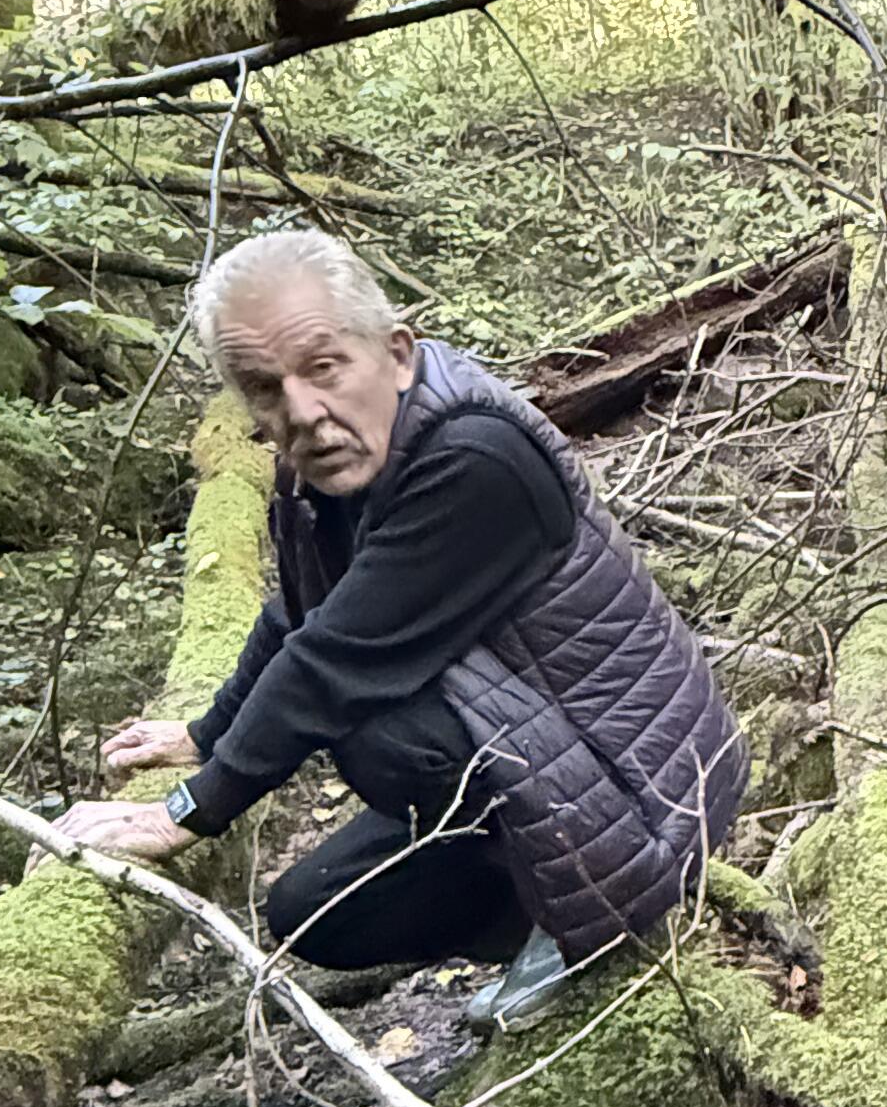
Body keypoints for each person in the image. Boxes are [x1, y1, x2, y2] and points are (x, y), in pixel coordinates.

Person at [49, 226, 745, 1011]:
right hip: (546, 751)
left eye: (323, 368)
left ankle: (598, 917)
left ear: (397, 353)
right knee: (313, 914)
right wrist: (202, 737)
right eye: (266, 388)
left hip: (650, 798)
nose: (303, 411)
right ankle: (529, 905)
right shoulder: (336, 459)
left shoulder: (475, 460)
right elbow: (300, 612)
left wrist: (182, 813)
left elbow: (331, 663)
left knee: (372, 725)